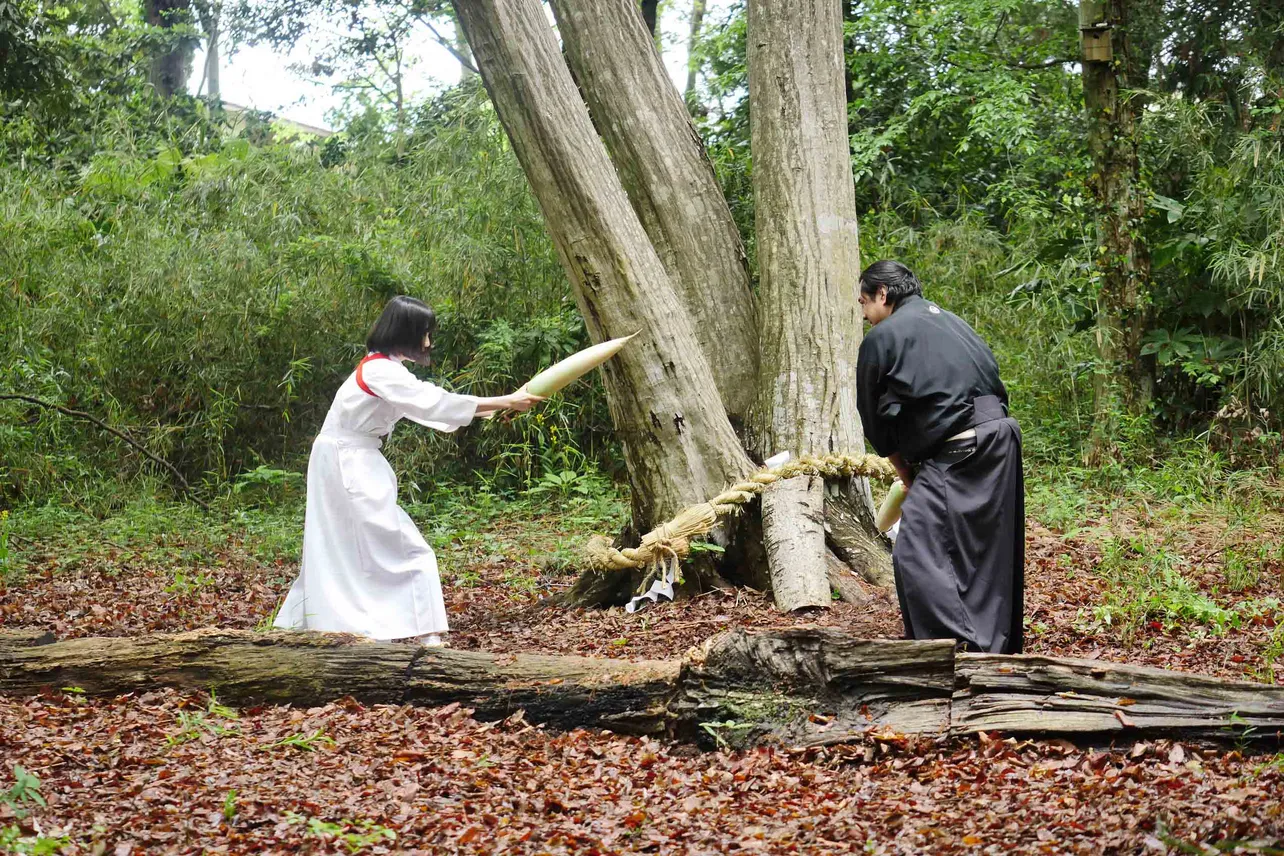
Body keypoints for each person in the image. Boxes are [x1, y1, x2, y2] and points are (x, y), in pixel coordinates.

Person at [274, 296, 543, 646]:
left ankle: (341, 621)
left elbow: (430, 409)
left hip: (350, 457)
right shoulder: (379, 370)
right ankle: (422, 631)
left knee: (350, 541)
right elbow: (434, 402)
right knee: (400, 544)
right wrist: (506, 400)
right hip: (347, 460)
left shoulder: (385, 368)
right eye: (424, 334)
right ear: (404, 332)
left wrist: (493, 410)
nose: (428, 343)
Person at [855, 261, 1024, 654]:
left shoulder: (884, 337)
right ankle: (992, 646)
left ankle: (952, 652)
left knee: (915, 550)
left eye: (864, 302)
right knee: (983, 549)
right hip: (1000, 438)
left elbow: (873, 418)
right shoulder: (951, 320)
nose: (863, 314)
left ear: (883, 294)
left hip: (961, 447)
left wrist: (904, 472)